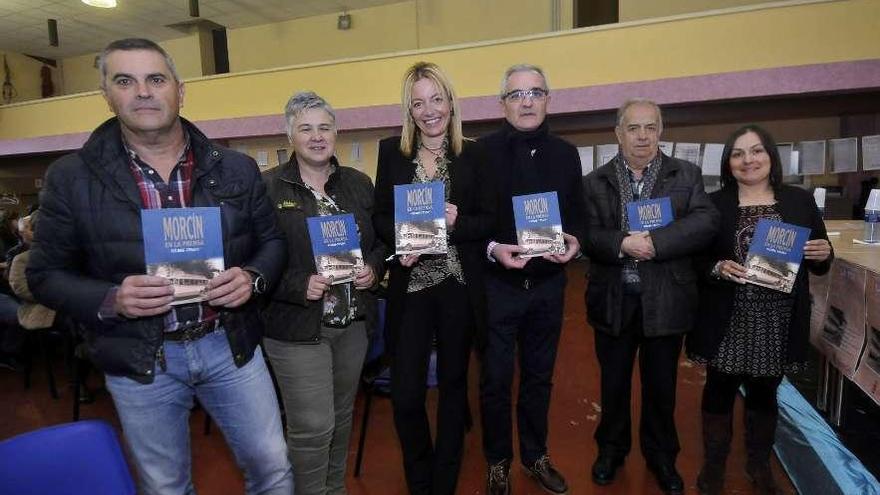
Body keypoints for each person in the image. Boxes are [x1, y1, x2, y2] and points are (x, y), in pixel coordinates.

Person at [27, 38, 292, 494]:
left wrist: (253, 277)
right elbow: (43, 275)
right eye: (125, 81)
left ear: (179, 90)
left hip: (229, 346)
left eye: (156, 79)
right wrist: (111, 299)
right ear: (106, 95)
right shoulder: (71, 178)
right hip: (141, 357)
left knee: (273, 468)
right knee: (165, 487)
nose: (143, 92)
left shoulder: (236, 168)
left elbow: (271, 243)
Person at [582, 98, 719, 495]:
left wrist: (656, 243)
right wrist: (623, 243)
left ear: (661, 131)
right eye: (633, 128)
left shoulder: (686, 174)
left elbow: (706, 220)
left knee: (662, 387)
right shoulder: (594, 181)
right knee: (613, 385)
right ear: (618, 133)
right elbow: (587, 234)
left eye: (650, 127)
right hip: (613, 299)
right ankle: (611, 450)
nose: (642, 136)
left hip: (666, 298)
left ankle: (661, 457)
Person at [688, 125, 832, 495]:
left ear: (771, 156)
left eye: (756, 151)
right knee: (719, 390)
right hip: (728, 313)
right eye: (738, 153)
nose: (748, 160)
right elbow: (696, 257)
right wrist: (717, 267)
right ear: (728, 162)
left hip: (778, 317)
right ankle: (715, 464)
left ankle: (758, 464)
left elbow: (819, 258)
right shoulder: (714, 203)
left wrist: (823, 253)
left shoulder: (799, 201)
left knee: (765, 393)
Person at [373, 61, 494, 495]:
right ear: (409, 110)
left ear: (450, 103)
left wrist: (459, 221)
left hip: (458, 286)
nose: (429, 111)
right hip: (411, 284)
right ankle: (419, 476)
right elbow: (380, 217)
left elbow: (490, 220)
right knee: (405, 394)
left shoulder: (474, 154)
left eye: (436, 99)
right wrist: (400, 243)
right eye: (418, 103)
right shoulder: (392, 152)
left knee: (453, 387)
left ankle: (443, 480)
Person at [262, 91, 386, 495]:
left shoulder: (358, 184)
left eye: (325, 127)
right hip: (297, 326)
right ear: (290, 135)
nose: (317, 137)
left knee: (341, 417)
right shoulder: (267, 189)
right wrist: (299, 283)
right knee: (313, 427)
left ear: (336, 132)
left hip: (352, 324)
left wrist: (374, 268)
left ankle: (335, 490)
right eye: (306, 128)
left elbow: (382, 242)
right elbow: (250, 258)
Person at [479, 64, 584, 495]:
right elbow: (472, 224)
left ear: (547, 99)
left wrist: (576, 243)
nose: (526, 101)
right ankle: (498, 461)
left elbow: (578, 218)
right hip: (498, 288)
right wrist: (492, 247)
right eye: (517, 94)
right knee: (496, 381)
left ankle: (535, 455)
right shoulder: (481, 153)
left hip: (547, 287)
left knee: (540, 377)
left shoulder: (565, 153)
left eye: (535, 92)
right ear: (502, 103)